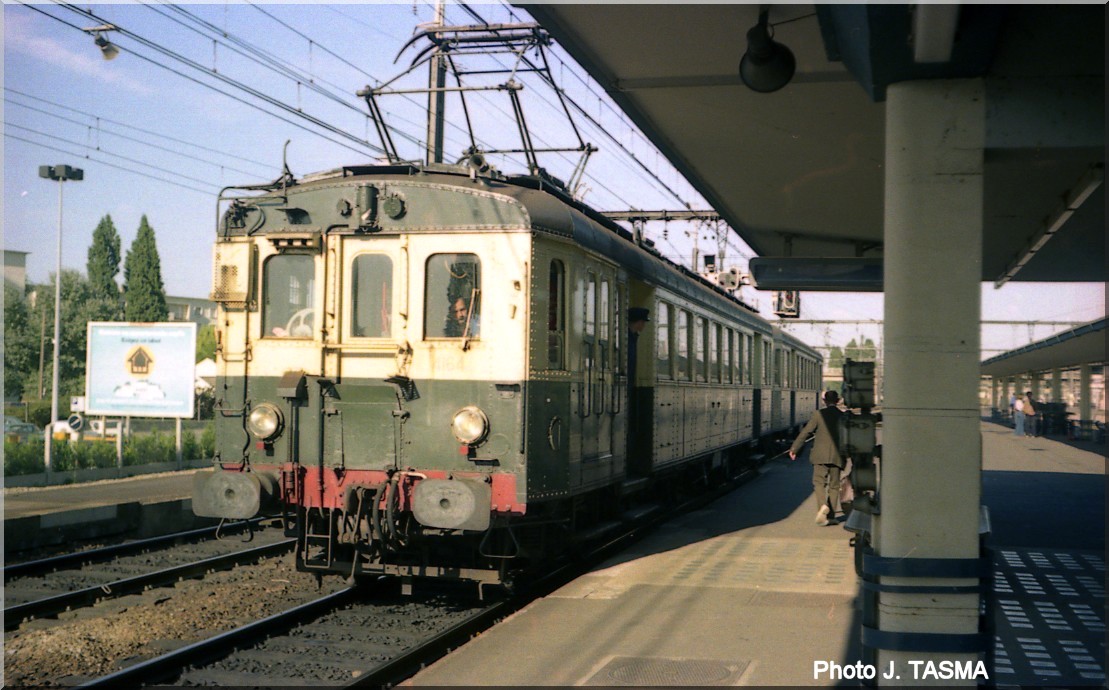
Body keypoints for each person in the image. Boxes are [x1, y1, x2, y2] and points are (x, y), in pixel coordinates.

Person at [789, 390, 847, 526]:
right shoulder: (843, 416)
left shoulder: (819, 414)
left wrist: (794, 448)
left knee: (819, 483)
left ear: (824, 401)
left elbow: (806, 432)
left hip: (820, 455)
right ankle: (831, 516)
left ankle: (822, 507)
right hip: (838, 456)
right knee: (834, 486)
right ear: (838, 401)